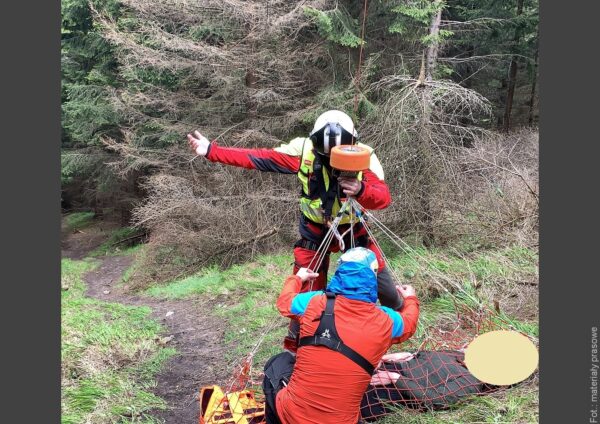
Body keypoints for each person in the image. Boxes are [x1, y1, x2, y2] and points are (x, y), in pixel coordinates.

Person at [187, 110, 404, 351]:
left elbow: (382, 198)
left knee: (382, 286)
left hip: (353, 231)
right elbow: (259, 157)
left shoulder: (365, 158)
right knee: (306, 291)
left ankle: (393, 329)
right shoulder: (304, 152)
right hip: (315, 231)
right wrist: (211, 151)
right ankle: (301, 347)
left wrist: (361, 189)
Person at [262, 247, 420, 424]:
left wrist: (298, 278)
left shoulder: (313, 302)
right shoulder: (387, 321)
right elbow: (409, 324)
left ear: (340, 272)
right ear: (373, 277)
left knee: (278, 362)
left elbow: (285, 302)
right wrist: (410, 299)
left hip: (291, 416)